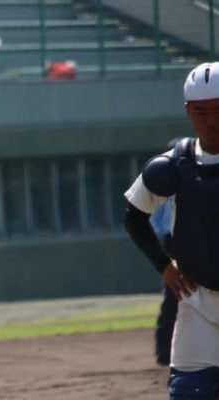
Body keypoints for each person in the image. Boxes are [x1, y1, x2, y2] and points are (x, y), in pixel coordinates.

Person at [123, 62, 219, 399]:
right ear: (188, 111)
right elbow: (134, 217)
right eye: (201, 111)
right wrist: (164, 265)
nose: (211, 121)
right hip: (198, 305)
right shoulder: (174, 166)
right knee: (189, 392)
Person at [149, 198, 178, 367]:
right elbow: (152, 219)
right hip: (174, 239)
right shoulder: (169, 183)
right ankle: (165, 351)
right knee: (174, 294)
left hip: (206, 235)